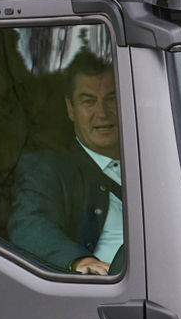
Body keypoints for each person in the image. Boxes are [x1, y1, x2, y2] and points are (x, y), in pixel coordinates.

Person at [8, 51, 124, 274]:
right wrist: (80, 261)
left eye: (112, 99)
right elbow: (29, 223)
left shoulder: (155, 163)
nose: (102, 113)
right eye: (88, 101)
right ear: (70, 109)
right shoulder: (47, 168)